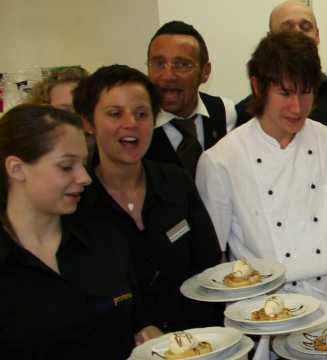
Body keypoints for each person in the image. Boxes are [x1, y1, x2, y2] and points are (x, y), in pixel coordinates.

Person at [197, 29, 327, 323]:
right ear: (257, 87)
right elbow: (215, 257)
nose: (297, 107)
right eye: (286, 93)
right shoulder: (221, 160)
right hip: (264, 315)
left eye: (306, 92)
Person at [72, 64, 223, 334]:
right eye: (115, 114)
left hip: (198, 343)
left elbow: (209, 266)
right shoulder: (77, 201)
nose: (131, 123)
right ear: (87, 122)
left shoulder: (175, 182)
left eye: (142, 114)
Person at [0, 105, 157, 358]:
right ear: (17, 168)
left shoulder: (106, 239)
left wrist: (148, 334)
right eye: (66, 166)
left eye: (83, 164)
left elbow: (139, 318)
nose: (84, 177)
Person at [235, 0, 327, 130]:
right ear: (270, 37)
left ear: (317, 36)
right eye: (287, 29)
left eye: (306, 27)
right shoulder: (246, 112)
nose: (298, 33)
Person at [145, 21, 237, 177]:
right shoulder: (138, 123)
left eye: (181, 64)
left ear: (205, 72)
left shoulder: (224, 112)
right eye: (159, 63)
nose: (168, 76)